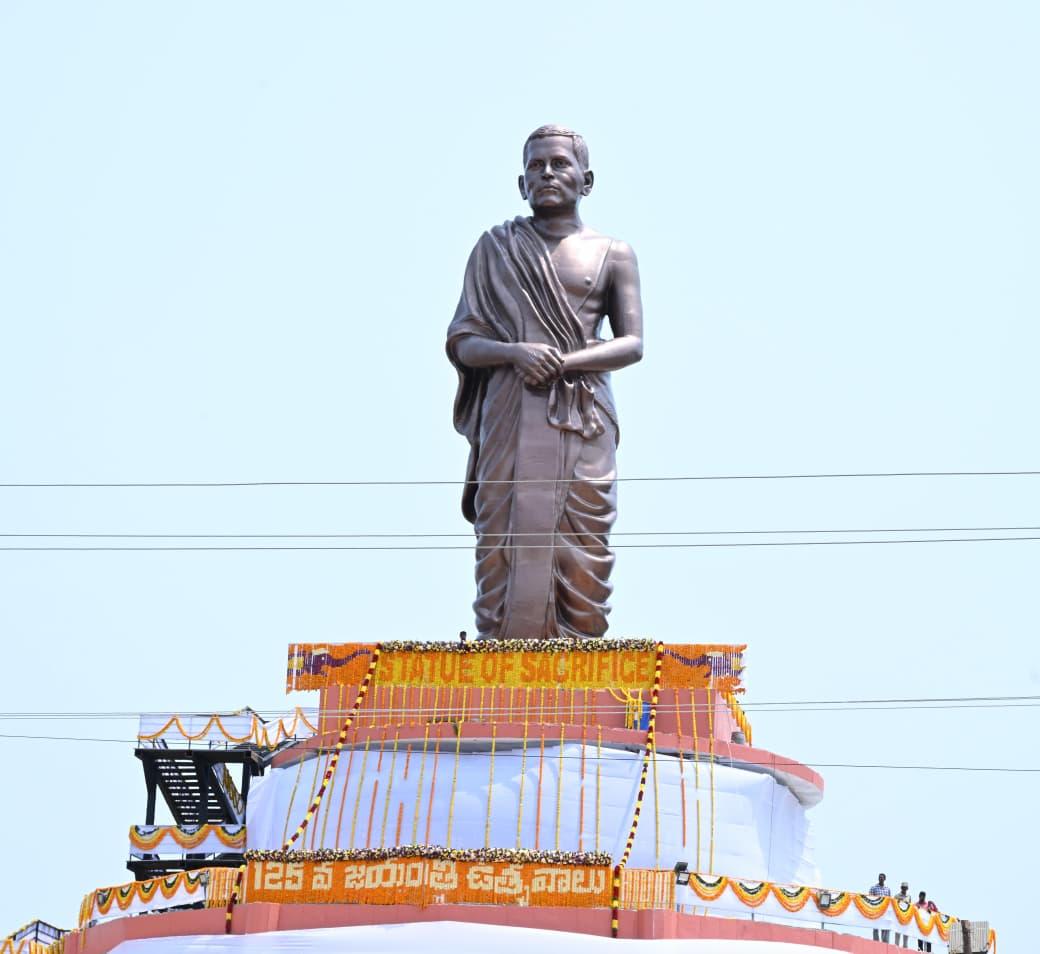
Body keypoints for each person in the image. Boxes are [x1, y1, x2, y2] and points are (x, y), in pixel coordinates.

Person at [448, 125, 644, 639]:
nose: (548, 174)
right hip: (510, 410)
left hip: (582, 416)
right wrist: (514, 353)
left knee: (582, 545)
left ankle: (579, 661)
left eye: (559, 163)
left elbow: (632, 344)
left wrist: (565, 363)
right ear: (521, 184)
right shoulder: (496, 248)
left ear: (587, 179)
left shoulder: (613, 253)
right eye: (536, 166)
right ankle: (502, 659)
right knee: (502, 544)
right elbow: (463, 339)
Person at [869, 873, 891, 943]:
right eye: (879, 877)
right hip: (876, 909)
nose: (881, 878)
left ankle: (883, 942)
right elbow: (869, 898)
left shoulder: (887, 889)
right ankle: (876, 941)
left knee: (884, 926)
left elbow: (889, 900)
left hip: (885, 911)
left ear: (885, 879)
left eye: (882, 877)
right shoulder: (873, 888)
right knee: (876, 926)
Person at [893, 881, 911, 948]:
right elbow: (893, 905)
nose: (904, 889)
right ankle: (896, 948)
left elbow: (910, 906)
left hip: (906, 917)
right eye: (903, 887)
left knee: (906, 933)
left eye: (905, 888)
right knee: (897, 932)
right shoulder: (897, 896)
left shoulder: (909, 897)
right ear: (901, 888)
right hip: (898, 916)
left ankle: (905, 948)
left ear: (907, 888)